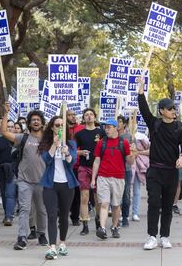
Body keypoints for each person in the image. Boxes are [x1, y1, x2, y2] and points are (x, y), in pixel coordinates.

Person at [138, 80, 182, 250]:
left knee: (168, 205)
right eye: (170, 108)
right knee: (154, 202)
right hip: (155, 170)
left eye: (174, 108)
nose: (174, 111)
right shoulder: (154, 124)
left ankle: (165, 236)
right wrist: (140, 90)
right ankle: (152, 236)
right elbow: (144, 109)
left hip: (171, 172)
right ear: (161, 111)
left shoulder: (180, 127)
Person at [0, 102, 48, 250]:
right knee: (24, 209)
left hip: (43, 182)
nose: (35, 121)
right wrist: (6, 113)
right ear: (29, 123)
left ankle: (41, 234)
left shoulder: (48, 140)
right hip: (24, 180)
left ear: (42, 123)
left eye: (38, 119)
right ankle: (22, 237)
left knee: (41, 210)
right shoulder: (23, 138)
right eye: (33, 120)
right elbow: (4, 132)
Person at [39, 116, 78, 260]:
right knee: (51, 215)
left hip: (67, 185)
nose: (59, 128)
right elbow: (46, 160)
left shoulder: (71, 143)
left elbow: (72, 162)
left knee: (63, 215)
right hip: (50, 184)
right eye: (57, 125)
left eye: (62, 125)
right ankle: (52, 247)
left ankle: (62, 243)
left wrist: (67, 152)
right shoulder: (45, 143)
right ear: (51, 127)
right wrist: (54, 146)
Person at [91, 118, 133, 240]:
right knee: (104, 203)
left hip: (118, 178)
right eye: (105, 127)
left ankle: (114, 227)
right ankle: (102, 228)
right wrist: (94, 178)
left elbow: (129, 161)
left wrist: (132, 154)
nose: (106, 129)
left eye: (109, 127)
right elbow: (97, 161)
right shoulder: (101, 143)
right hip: (103, 177)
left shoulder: (123, 143)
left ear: (115, 128)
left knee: (115, 205)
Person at [74, 108, 106, 235]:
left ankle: (99, 221)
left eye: (91, 114)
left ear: (95, 117)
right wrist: (80, 152)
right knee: (84, 196)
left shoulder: (101, 132)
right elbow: (71, 149)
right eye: (86, 115)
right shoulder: (79, 134)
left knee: (98, 197)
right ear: (83, 118)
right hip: (83, 167)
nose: (88, 117)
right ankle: (85, 224)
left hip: (98, 168)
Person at [67, 110, 84, 226]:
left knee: (77, 193)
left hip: (78, 165)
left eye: (74, 115)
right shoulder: (61, 128)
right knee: (66, 192)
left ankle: (75, 217)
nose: (73, 117)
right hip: (65, 165)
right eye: (70, 115)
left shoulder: (81, 128)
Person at [117, 115, 132, 227]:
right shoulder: (111, 136)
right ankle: (116, 217)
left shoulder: (128, 136)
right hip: (114, 169)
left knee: (126, 194)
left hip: (126, 169)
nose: (118, 124)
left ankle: (125, 216)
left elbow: (133, 152)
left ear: (124, 124)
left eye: (120, 122)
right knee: (115, 195)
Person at [131, 132, 150, 222]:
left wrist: (138, 152)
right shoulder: (126, 136)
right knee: (124, 192)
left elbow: (150, 151)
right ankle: (124, 212)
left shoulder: (142, 138)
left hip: (138, 167)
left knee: (136, 191)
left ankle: (135, 212)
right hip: (128, 166)